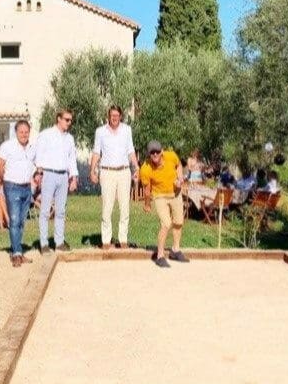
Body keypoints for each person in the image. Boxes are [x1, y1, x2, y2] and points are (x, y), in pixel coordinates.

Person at [89, 105, 138, 249]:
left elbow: (131, 150)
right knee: (107, 207)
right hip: (107, 172)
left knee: (125, 207)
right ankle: (106, 240)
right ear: (108, 116)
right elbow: (96, 152)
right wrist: (92, 171)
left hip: (124, 171)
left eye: (117, 115)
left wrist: (136, 167)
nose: (114, 118)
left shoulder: (127, 130)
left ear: (121, 116)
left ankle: (123, 240)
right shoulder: (100, 131)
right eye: (112, 115)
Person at [33, 109, 79, 253]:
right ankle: (44, 243)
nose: (69, 123)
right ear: (58, 119)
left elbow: (72, 159)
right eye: (66, 119)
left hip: (63, 176)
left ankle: (59, 242)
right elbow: (38, 154)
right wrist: (39, 173)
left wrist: (74, 177)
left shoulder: (69, 138)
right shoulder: (46, 135)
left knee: (60, 211)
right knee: (45, 210)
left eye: (70, 120)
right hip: (49, 174)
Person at [140, 141, 189, 268]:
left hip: (175, 193)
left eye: (157, 151)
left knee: (178, 222)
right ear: (149, 154)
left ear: (162, 151)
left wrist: (179, 178)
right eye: (152, 152)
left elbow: (178, 165)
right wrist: (147, 204)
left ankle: (175, 250)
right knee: (166, 223)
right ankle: (160, 256)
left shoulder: (171, 156)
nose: (155, 154)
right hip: (159, 196)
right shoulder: (146, 168)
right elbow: (147, 190)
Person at [0, 120, 37, 267]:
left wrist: (37, 176)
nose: (24, 135)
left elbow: (37, 165)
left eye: (26, 132)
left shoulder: (32, 148)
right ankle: (16, 254)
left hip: (26, 188)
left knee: (21, 221)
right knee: (14, 220)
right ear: (16, 132)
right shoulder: (7, 146)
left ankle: (18, 250)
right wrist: (4, 179)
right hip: (12, 187)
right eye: (21, 132)